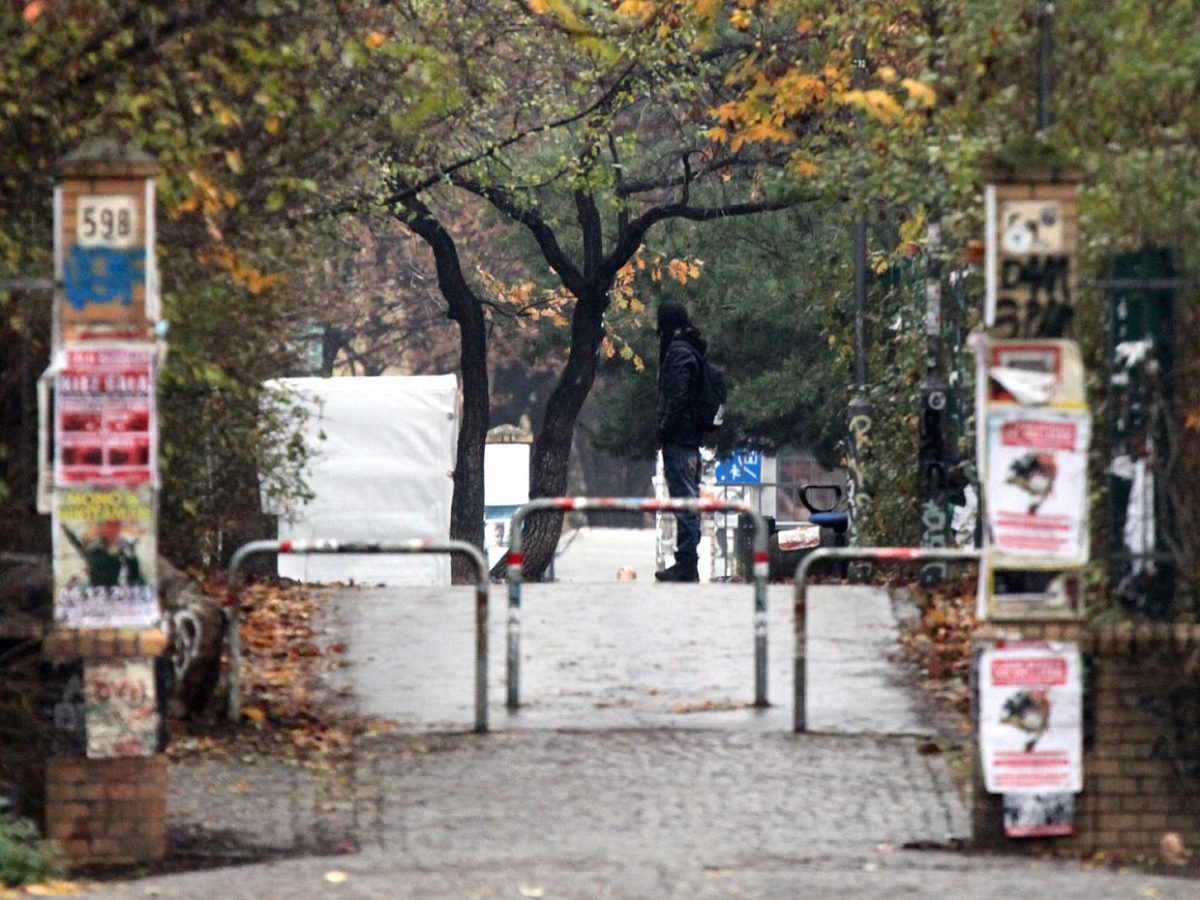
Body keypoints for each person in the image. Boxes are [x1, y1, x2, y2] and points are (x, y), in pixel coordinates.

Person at [655, 301, 706, 582]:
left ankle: (687, 563)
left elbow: (676, 397)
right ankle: (688, 561)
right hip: (691, 439)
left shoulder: (678, 353)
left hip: (680, 439)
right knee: (689, 500)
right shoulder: (692, 349)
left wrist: (663, 429)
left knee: (684, 500)